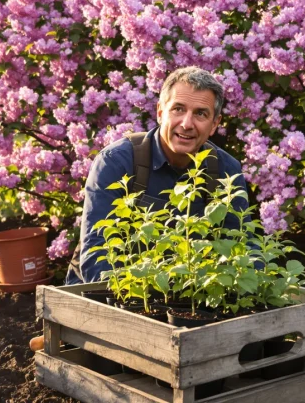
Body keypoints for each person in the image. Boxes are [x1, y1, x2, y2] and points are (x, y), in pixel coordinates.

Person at [64, 66, 250, 285]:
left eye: (200, 113)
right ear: (160, 112)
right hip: (106, 297)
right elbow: (98, 257)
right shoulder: (116, 162)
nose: (187, 124)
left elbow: (238, 246)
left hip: (190, 298)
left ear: (214, 125)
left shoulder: (226, 170)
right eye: (178, 109)